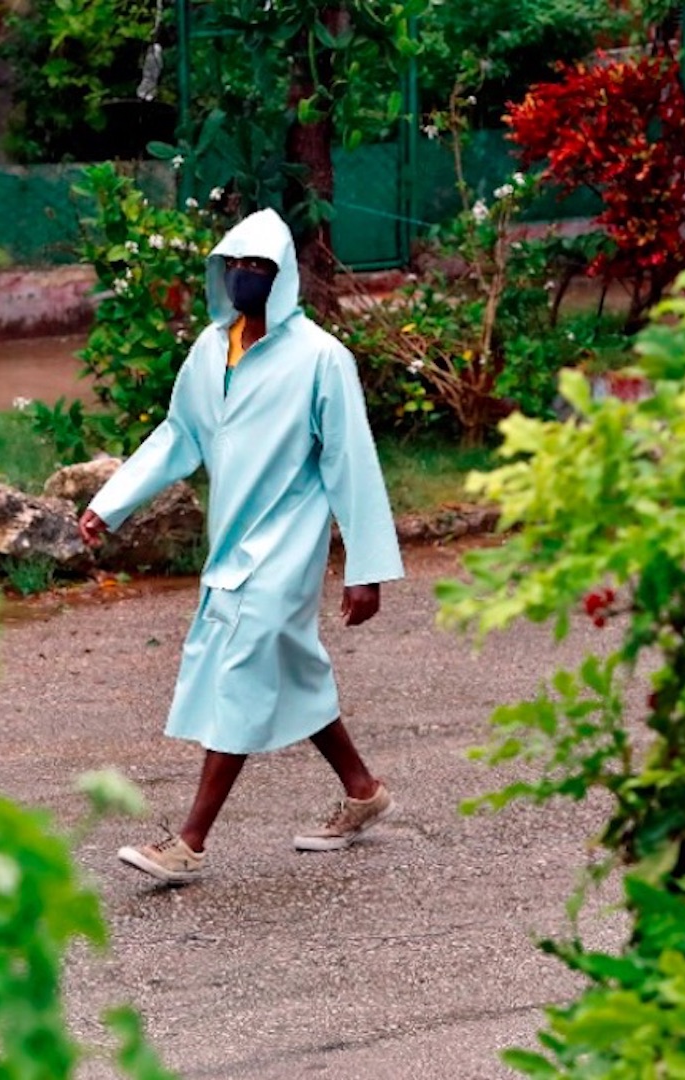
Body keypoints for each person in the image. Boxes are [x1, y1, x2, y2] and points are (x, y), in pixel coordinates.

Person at [79, 208, 405, 885]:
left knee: (242, 667)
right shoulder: (209, 349)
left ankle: (190, 841)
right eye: (237, 265)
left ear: (283, 279)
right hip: (232, 540)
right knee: (289, 669)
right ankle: (363, 788)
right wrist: (110, 504)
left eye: (261, 268)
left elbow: (353, 463)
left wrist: (365, 571)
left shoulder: (321, 359)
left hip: (289, 542)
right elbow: (178, 436)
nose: (246, 277)